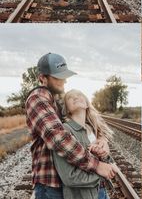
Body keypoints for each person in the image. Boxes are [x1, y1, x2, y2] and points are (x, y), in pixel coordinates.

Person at [25, 53, 117, 199]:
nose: (64, 81)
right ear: (42, 78)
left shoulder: (56, 101)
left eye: (64, 76)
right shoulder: (38, 98)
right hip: (50, 185)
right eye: (57, 77)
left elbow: (85, 123)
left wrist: (101, 138)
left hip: (65, 185)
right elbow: (58, 137)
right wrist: (97, 166)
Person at [53, 89, 114, 199]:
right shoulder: (65, 130)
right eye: (70, 97)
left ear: (86, 104)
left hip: (101, 191)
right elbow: (69, 177)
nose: (76, 97)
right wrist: (101, 174)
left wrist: (104, 155)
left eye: (79, 95)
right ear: (67, 109)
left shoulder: (93, 130)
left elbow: (107, 163)